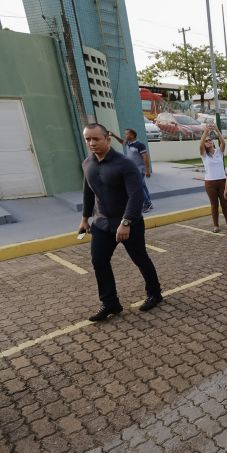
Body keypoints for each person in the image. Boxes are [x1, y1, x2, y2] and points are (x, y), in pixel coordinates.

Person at [79, 123, 162, 321]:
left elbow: (136, 195)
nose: (92, 143)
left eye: (96, 138)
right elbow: (88, 192)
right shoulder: (87, 163)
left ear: (107, 139)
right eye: (88, 139)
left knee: (140, 258)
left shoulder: (125, 164)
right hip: (101, 223)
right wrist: (84, 218)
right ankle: (110, 303)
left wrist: (126, 222)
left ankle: (155, 293)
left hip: (128, 223)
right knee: (99, 261)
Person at [110, 128, 153, 213]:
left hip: (139, 169)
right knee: (142, 186)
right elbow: (121, 141)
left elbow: (145, 158)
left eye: (127, 134)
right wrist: (113, 135)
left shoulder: (139, 145)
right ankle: (149, 202)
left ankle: (147, 204)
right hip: (133, 169)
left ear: (132, 135)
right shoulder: (128, 143)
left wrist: (147, 170)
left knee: (138, 187)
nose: (125, 135)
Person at [199, 124, 227, 233]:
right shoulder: (204, 155)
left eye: (209, 140)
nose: (208, 141)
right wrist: (206, 132)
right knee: (214, 205)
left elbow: (223, 143)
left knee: (224, 204)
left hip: (222, 181)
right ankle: (216, 225)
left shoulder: (219, 152)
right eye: (206, 141)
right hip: (210, 183)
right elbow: (200, 145)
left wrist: (216, 130)